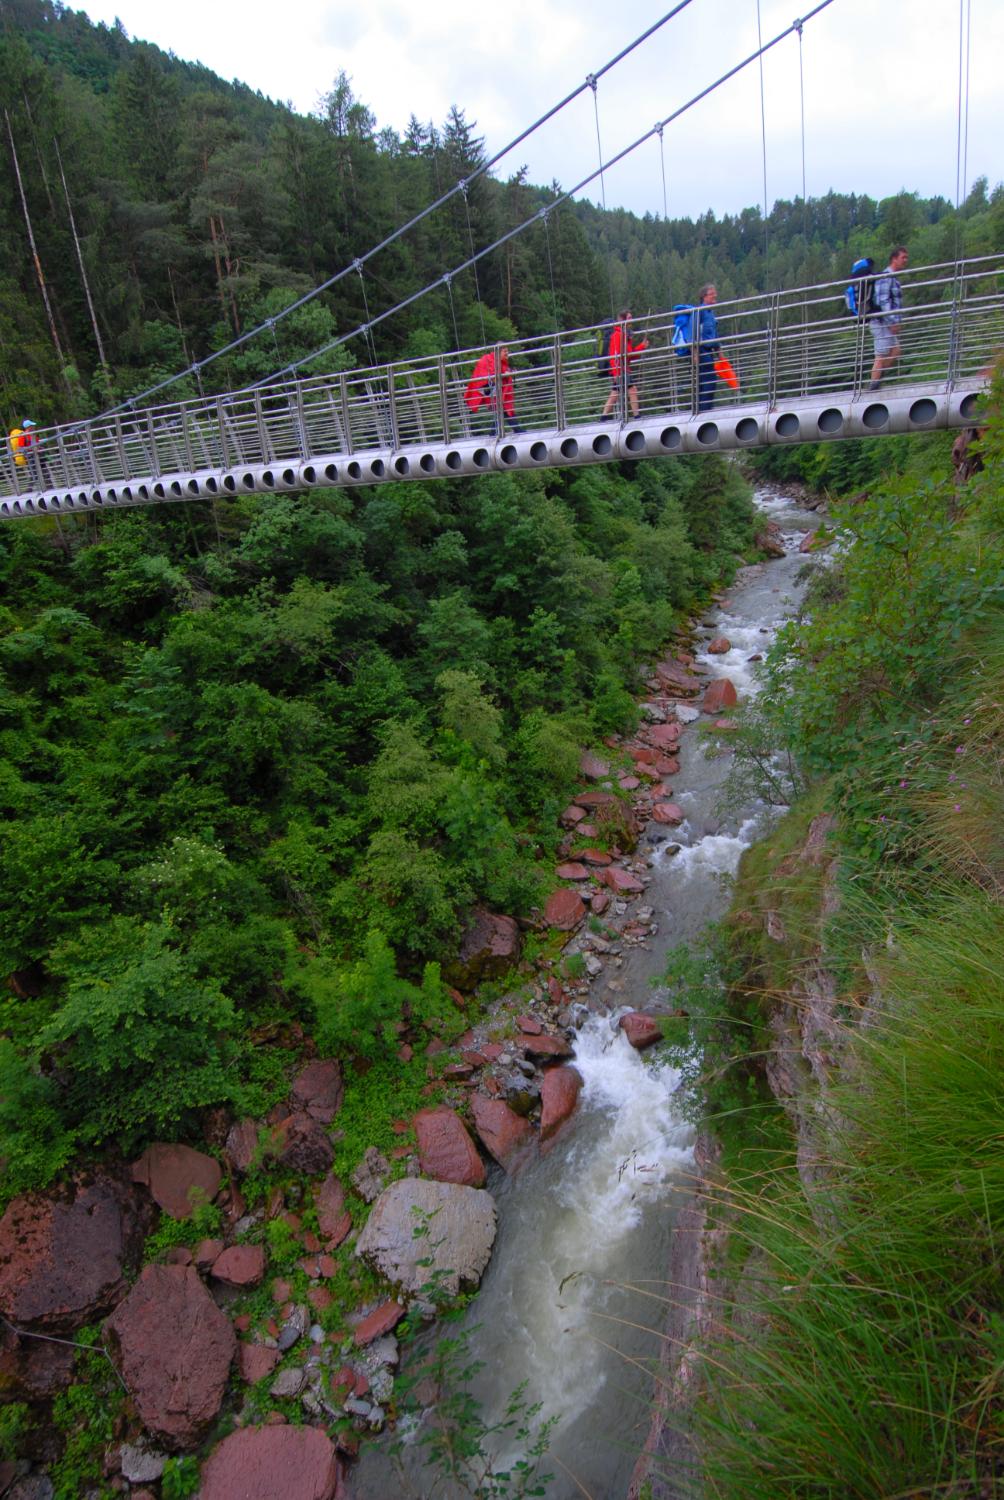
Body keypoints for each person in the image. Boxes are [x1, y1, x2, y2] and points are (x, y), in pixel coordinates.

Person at [869, 246, 909, 389]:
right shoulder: (887, 277)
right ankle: (873, 385)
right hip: (881, 322)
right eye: (903, 257)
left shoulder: (893, 278)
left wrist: (895, 321)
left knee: (895, 350)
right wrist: (892, 322)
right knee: (880, 355)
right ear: (894, 259)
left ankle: (877, 379)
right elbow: (883, 301)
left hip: (885, 322)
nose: (905, 260)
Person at [464, 346, 522, 436]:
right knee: (504, 410)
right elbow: (492, 377)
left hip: (497, 393)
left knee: (503, 411)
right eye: (505, 351)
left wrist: (508, 373)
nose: (507, 353)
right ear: (498, 352)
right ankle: (518, 431)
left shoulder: (499, 362)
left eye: (507, 351)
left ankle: (497, 433)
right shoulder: (491, 360)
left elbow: (499, 374)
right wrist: (504, 375)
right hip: (492, 391)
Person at [602, 310, 648, 419]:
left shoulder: (620, 333)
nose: (632, 320)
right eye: (629, 318)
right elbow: (628, 354)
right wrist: (642, 346)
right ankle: (636, 416)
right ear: (623, 320)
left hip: (618, 368)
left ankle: (603, 417)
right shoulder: (620, 334)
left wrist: (641, 347)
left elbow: (628, 354)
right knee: (632, 390)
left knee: (615, 392)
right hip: (621, 369)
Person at [693, 285, 722, 413]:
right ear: (704, 296)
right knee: (709, 379)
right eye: (711, 293)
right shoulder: (700, 312)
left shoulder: (710, 313)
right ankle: (704, 410)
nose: (714, 295)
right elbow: (694, 333)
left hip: (708, 350)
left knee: (705, 379)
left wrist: (720, 354)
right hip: (701, 350)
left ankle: (704, 408)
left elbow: (714, 334)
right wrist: (695, 353)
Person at [7, 418, 41, 485]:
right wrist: (30, 449)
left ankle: (49, 486)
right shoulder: (23, 436)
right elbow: (20, 448)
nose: (33, 427)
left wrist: (39, 448)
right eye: (32, 426)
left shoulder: (33, 434)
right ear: (28, 427)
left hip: (38, 455)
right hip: (30, 456)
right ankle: (30, 488)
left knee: (43, 470)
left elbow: (37, 444)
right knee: (34, 473)